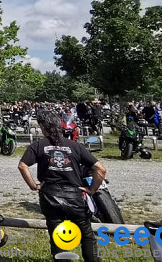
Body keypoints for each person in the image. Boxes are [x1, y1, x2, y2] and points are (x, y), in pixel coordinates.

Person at [18, 110, 105, 262]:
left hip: (49, 196)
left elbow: (22, 165)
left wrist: (34, 186)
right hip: (74, 196)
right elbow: (101, 169)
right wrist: (92, 190)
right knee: (87, 236)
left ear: (44, 127)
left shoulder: (38, 145)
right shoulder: (75, 146)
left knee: (58, 237)